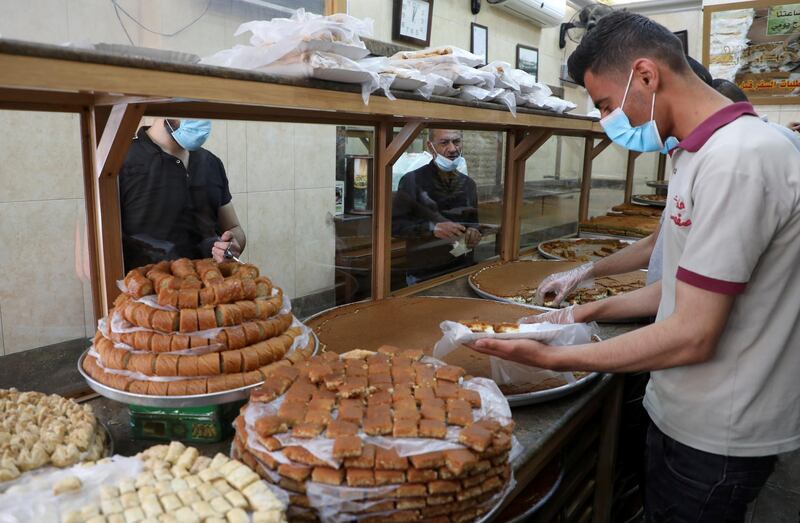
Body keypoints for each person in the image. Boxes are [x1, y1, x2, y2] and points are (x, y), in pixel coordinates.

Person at [472, 11, 800, 523]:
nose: (607, 120)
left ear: (646, 75)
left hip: (722, 429)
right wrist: (575, 315)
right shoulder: (700, 155)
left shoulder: (741, 158)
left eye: (605, 105)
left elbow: (693, 334)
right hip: (681, 406)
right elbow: (672, 285)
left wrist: (552, 362)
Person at [119, 119, 245, 271]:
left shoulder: (211, 163)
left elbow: (233, 227)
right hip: (151, 290)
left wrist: (231, 245)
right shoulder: (120, 162)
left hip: (210, 285)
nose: (200, 118)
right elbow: (101, 247)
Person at [392, 129, 481, 285]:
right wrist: (433, 228)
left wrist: (474, 232)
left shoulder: (469, 184)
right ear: (430, 146)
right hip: (424, 274)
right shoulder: (412, 181)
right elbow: (396, 226)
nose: (453, 149)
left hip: (461, 268)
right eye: (444, 142)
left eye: (456, 141)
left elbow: (474, 224)